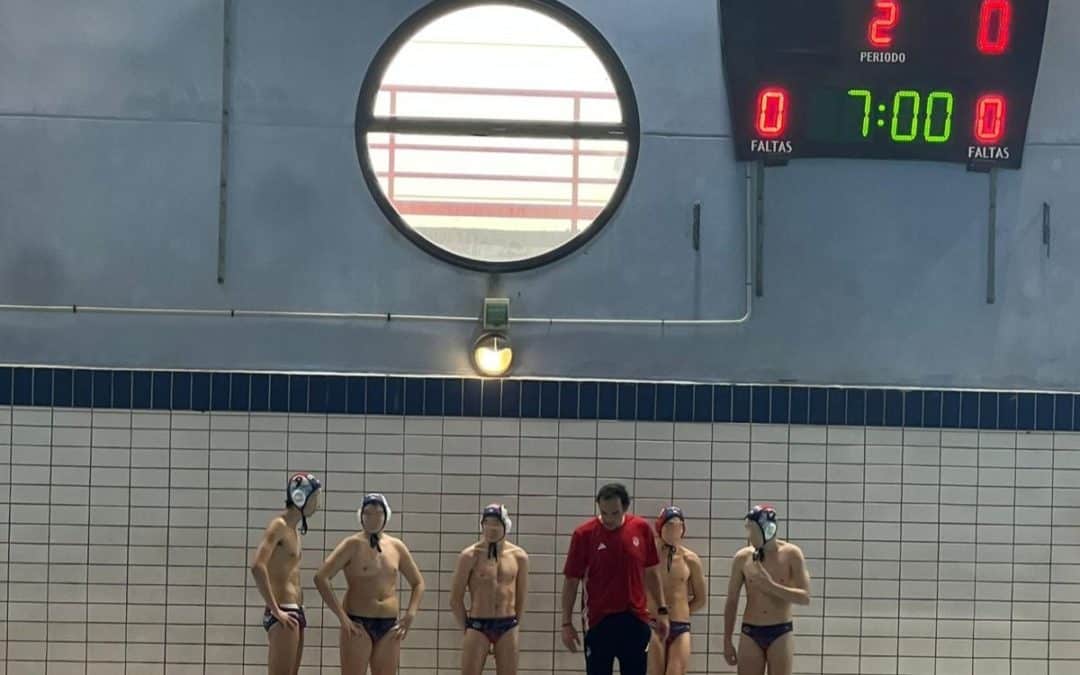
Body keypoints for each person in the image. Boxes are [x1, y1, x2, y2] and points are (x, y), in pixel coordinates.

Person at [560, 483, 669, 675]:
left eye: (615, 513)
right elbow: (571, 582)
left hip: (635, 619)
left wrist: (662, 610)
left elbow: (652, 572)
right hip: (599, 621)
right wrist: (566, 623)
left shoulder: (641, 528)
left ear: (625, 508)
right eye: (604, 513)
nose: (609, 519)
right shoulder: (584, 534)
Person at [314, 493, 425, 675]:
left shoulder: (396, 546)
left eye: (378, 513)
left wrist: (410, 614)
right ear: (361, 516)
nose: (373, 518)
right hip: (358, 623)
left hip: (389, 625)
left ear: (386, 516)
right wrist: (342, 618)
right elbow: (321, 577)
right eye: (368, 513)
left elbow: (418, 582)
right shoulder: (352, 544)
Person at [723, 504, 812, 675]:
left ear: (768, 529)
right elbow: (732, 601)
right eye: (748, 530)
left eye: (753, 530)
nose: (749, 536)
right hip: (750, 631)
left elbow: (805, 597)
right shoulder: (742, 558)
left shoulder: (792, 554)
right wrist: (727, 640)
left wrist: (771, 586)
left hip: (780, 632)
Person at [250, 473, 322, 675]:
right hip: (283, 610)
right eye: (315, 497)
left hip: (295, 610)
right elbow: (257, 566)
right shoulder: (279, 525)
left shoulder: (294, 530)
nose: (317, 503)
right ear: (300, 497)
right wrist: (275, 609)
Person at [450, 503, 530, 675]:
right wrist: (467, 627)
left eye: (496, 523)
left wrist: (516, 624)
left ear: (505, 526)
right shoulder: (469, 556)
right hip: (478, 624)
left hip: (507, 624)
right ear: (482, 525)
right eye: (488, 523)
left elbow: (521, 596)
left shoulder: (519, 556)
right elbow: (455, 598)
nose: (492, 528)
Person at [647, 506, 707, 675]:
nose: (675, 530)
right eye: (670, 526)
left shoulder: (691, 559)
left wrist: (682, 612)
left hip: (680, 626)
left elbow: (701, 598)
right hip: (653, 624)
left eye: (678, 526)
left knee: (676, 672)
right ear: (660, 528)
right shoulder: (648, 557)